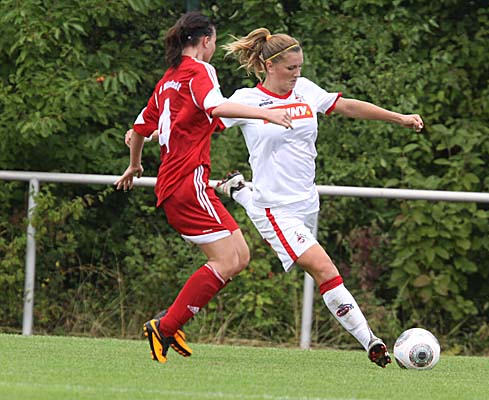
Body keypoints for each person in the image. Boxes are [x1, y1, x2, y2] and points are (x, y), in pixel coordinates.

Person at [214, 28, 425, 368]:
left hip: (307, 203)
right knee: (324, 269)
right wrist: (151, 134)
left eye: (299, 67)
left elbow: (348, 106)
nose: (297, 74)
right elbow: (202, 122)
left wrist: (398, 117)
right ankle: (370, 340)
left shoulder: (306, 90)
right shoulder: (247, 101)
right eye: (290, 68)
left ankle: (238, 190)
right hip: (276, 210)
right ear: (269, 66)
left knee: (321, 270)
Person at [114, 13, 292, 364]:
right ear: (206, 40)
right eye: (213, 41)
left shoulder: (168, 80)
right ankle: (165, 326)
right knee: (226, 260)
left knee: (239, 256)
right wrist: (267, 114)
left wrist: (135, 165)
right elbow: (214, 106)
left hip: (180, 185)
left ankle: (171, 321)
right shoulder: (200, 71)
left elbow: (138, 129)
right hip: (188, 183)